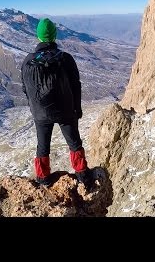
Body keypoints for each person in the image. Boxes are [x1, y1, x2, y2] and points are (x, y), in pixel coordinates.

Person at [21, 18, 93, 189]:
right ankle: (82, 174)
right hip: (66, 110)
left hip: (40, 112)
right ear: (54, 35)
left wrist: (34, 107)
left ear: (38, 36)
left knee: (42, 145)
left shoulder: (28, 60)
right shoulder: (65, 58)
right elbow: (76, 85)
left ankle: (43, 177)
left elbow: (25, 88)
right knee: (74, 142)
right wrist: (78, 108)